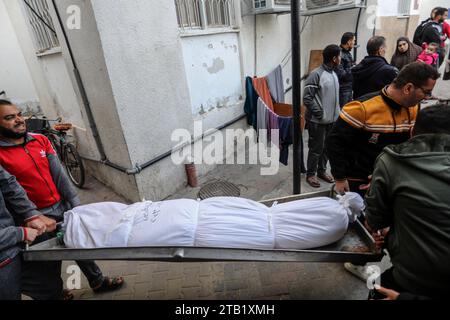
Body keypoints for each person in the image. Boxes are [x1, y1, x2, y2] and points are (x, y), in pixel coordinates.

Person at [326, 62, 440, 281]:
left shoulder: (413, 109)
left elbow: (408, 144)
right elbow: (334, 143)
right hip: (358, 179)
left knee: (385, 223)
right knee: (365, 223)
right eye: (425, 92)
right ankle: (355, 261)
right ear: (408, 88)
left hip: (390, 178)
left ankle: (372, 254)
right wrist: (340, 177)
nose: (426, 98)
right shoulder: (361, 108)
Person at [0, 100, 124, 299]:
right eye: (9, 117)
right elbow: (11, 192)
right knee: (48, 261)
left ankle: (97, 280)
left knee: (78, 244)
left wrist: (75, 203)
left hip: (62, 206)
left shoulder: (40, 140)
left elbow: (59, 174)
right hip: (36, 218)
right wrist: (33, 216)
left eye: (19, 114)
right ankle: (55, 293)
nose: (18, 120)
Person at [365, 104, 450, 300]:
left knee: (378, 287)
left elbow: (375, 221)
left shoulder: (392, 161)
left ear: (412, 131)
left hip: (412, 281)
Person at [0, 166, 50, 300]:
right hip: (4, 257)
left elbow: (7, 182)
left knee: (50, 288)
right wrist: (20, 233)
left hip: (11, 249)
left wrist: (30, 214)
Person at [303, 45, 341, 188]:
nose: (340, 59)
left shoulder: (333, 73)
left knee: (327, 147)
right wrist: (320, 113)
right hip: (317, 121)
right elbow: (307, 98)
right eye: (339, 56)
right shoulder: (316, 74)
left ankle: (322, 171)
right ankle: (311, 174)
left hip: (332, 120)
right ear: (334, 58)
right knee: (316, 148)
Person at [336, 32, 356, 108]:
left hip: (348, 88)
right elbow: (341, 74)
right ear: (349, 42)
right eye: (354, 41)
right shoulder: (339, 54)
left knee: (348, 112)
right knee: (343, 113)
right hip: (343, 90)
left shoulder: (348, 53)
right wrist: (354, 68)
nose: (354, 43)